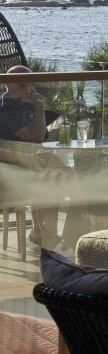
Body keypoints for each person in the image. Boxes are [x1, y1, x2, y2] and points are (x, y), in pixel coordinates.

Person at [0, 67, 67, 250]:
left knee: (53, 172)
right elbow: (35, 138)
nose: (28, 89)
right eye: (22, 84)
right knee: (53, 174)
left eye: (30, 83)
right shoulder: (5, 109)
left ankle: (43, 236)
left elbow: (38, 137)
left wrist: (39, 109)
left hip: (27, 164)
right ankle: (48, 241)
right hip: (9, 171)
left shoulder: (26, 105)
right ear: (7, 85)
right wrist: (38, 109)